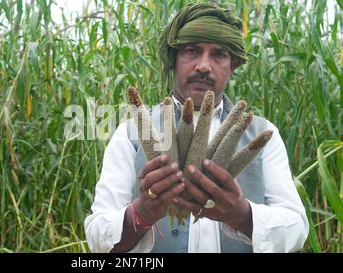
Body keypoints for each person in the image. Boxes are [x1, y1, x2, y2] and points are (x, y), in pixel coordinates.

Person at [84, 3, 308, 253]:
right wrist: (141, 213)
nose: (204, 66)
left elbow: (296, 228)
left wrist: (242, 215)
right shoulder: (130, 134)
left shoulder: (264, 134)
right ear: (174, 60)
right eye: (192, 51)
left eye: (218, 54)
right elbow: (97, 238)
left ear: (232, 65)